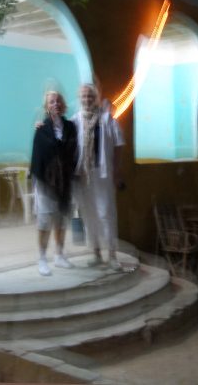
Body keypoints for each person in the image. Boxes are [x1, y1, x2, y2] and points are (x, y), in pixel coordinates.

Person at [72, 83, 125, 270]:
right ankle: (96, 253)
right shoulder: (75, 121)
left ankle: (112, 255)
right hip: (83, 175)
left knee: (105, 214)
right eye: (84, 96)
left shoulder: (107, 119)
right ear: (80, 98)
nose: (87, 99)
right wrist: (41, 124)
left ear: (96, 98)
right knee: (89, 215)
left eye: (90, 96)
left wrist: (117, 171)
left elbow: (118, 145)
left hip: (103, 175)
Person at [30, 90, 78, 276]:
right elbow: (37, 158)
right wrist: (43, 180)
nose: (55, 104)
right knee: (44, 222)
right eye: (51, 102)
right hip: (45, 183)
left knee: (61, 220)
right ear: (47, 107)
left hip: (64, 183)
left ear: (63, 105)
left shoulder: (70, 127)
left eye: (58, 101)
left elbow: (74, 152)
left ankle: (59, 255)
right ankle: (42, 258)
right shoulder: (41, 129)